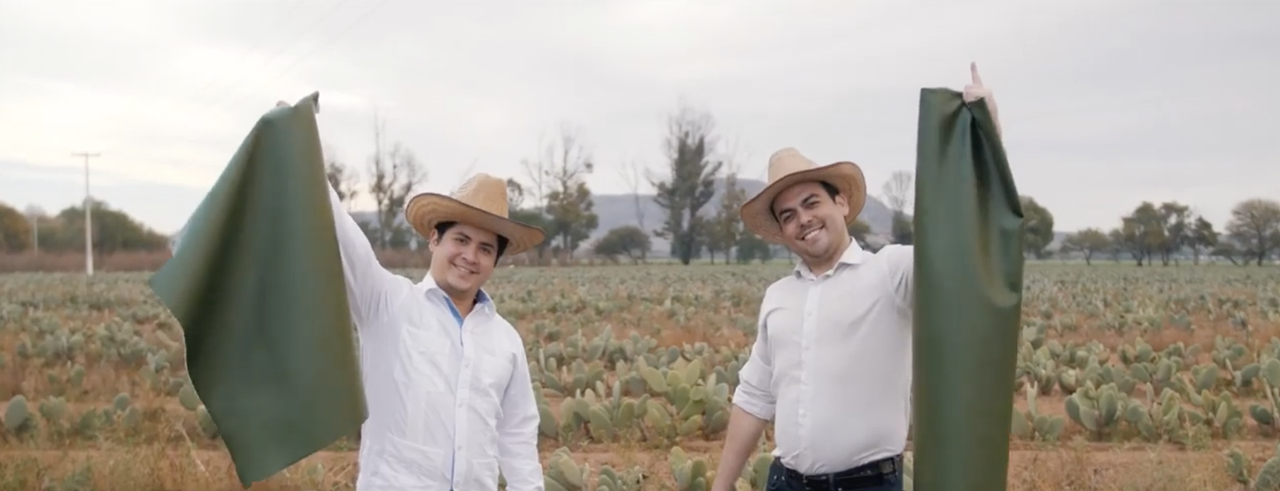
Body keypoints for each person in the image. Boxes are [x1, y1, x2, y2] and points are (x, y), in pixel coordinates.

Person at [708, 64, 1002, 491]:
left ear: (842, 202)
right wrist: (720, 487)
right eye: (788, 216)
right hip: (784, 482)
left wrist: (986, 130)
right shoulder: (778, 297)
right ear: (783, 232)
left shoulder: (892, 273)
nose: (803, 220)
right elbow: (755, 397)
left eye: (812, 203)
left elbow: (965, 247)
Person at [296, 113, 547, 491]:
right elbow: (340, 236)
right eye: (460, 240)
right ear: (434, 239)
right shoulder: (387, 303)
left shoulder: (506, 341)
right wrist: (297, 144)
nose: (469, 256)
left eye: (484, 248)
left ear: (494, 261)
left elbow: (517, 438)